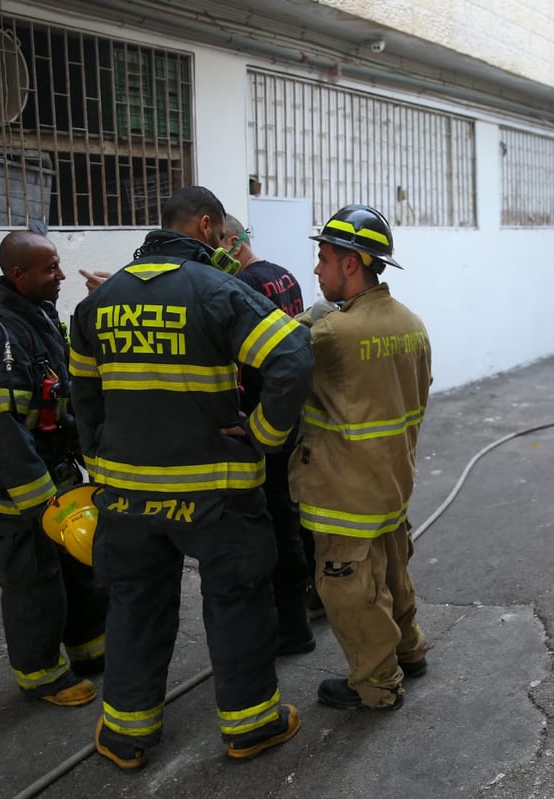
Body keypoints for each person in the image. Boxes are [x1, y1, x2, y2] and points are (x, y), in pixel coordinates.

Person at [70, 186, 314, 769]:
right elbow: (293, 356)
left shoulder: (99, 304)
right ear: (205, 226)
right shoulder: (217, 291)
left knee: (133, 604)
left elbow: (84, 392)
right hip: (214, 492)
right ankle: (251, 726)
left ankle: (126, 736)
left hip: (128, 491)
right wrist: (265, 433)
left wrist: (99, 463)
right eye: (220, 232)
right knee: (235, 600)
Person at [290, 205, 431, 712]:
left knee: (349, 591)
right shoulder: (411, 324)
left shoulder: (331, 334)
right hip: (392, 479)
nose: (316, 268)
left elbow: (273, 358)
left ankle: (376, 684)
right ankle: (409, 650)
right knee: (393, 570)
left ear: (352, 263)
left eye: (323, 257)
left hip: (343, 486)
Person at [0, 231, 108, 707]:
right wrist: (40, 502)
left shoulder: (39, 320)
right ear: (17, 275)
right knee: (33, 583)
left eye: (59, 265)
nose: (61, 275)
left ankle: (89, 650)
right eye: (50, 269)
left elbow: (63, 401)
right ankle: (40, 675)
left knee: (78, 571)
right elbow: (0, 430)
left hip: (56, 477)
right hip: (18, 491)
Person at [221, 214, 315, 654]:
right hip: (292, 410)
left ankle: (292, 627)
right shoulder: (284, 275)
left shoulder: (241, 287)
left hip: (263, 415)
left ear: (228, 241)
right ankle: (317, 599)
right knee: (297, 510)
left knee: (277, 520)